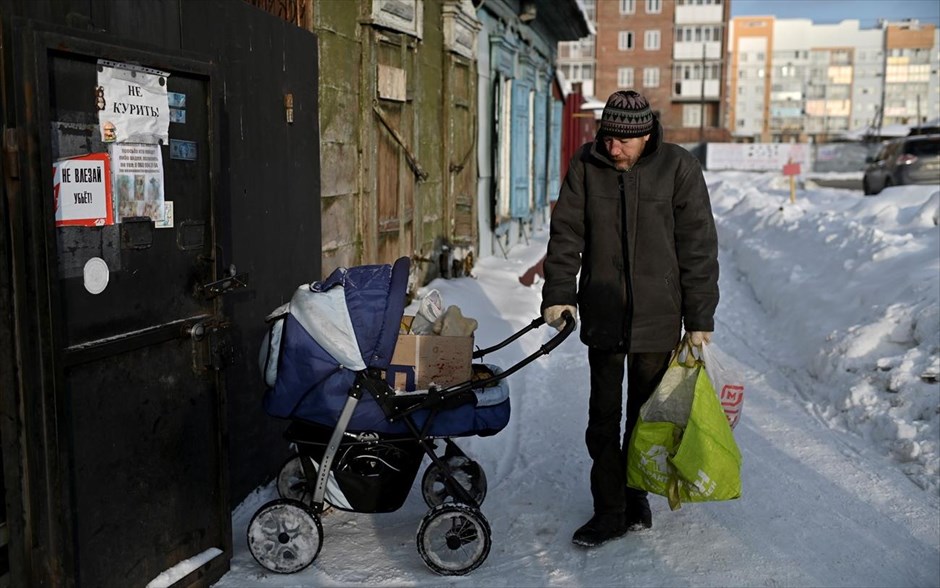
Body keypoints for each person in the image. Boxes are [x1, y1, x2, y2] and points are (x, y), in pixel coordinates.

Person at [541, 90, 719, 548]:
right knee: (602, 417)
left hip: (658, 318)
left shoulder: (678, 167)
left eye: (623, 141)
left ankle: (635, 497)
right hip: (603, 312)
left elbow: (698, 246)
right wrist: (560, 294)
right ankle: (610, 510)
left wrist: (699, 317)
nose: (612, 148)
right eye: (607, 138)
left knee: (646, 416)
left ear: (646, 135)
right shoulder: (587, 163)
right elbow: (566, 233)